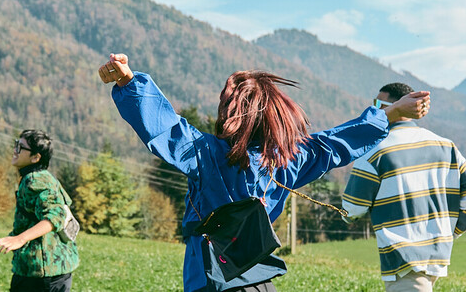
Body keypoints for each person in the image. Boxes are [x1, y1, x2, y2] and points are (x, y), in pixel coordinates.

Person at [98, 54, 429, 292]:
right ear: (277, 115)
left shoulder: (206, 154)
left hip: (209, 277)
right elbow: (336, 142)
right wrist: (390, 113)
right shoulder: (290, 159)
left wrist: (129, 81)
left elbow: (167, 129)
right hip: (257, 277)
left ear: (229, 112)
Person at [341, 82, 466, 292]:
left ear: (398, 106)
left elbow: (352, 208)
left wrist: (346, 214)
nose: (375, 110)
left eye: (378, 104)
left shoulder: (375, 151)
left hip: (402, 259)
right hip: (438, 256)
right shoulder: (446, 146)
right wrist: (451, 231)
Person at [0, 130, 79, 292]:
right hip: (56, 269)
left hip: (40, 274)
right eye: (16, 144)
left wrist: (20, 239)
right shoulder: (46, 176)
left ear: (35, 157)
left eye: (20, 147)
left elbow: (56, 215)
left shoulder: (34, 179)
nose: (15, 150)